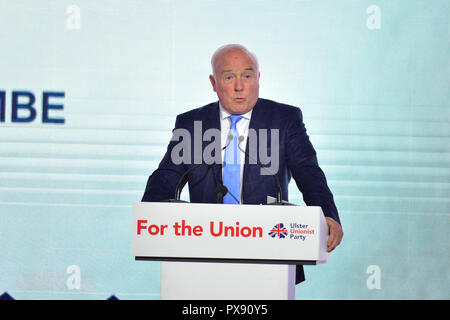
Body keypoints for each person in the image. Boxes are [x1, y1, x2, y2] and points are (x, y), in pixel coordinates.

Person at [142, 44, 343, 284]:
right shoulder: (191, 123)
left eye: (247, 76)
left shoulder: (285, 119)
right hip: (202, 255)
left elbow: (308, 172)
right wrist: (150, 214)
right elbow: (166, 177)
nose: (239, 86)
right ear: (214, 83)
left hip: (272, 253)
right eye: (229, 77)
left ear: (258, 78)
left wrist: (327, 214)